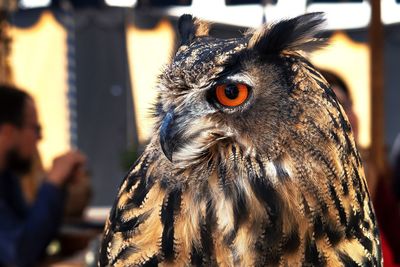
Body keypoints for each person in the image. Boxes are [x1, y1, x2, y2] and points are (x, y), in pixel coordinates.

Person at [0, 84, 86, 267]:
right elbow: (18, 253)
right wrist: (53, 183)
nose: (40, 138)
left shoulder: (7, 178)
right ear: (8, 132)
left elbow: (35, 240)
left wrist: (59, 185)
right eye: (35, 128)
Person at [320, 70, 400, 266]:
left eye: (348, 104)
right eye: (336, 106)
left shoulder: (370, 171)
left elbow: (395, 235)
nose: (349, 115)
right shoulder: (293, 187)